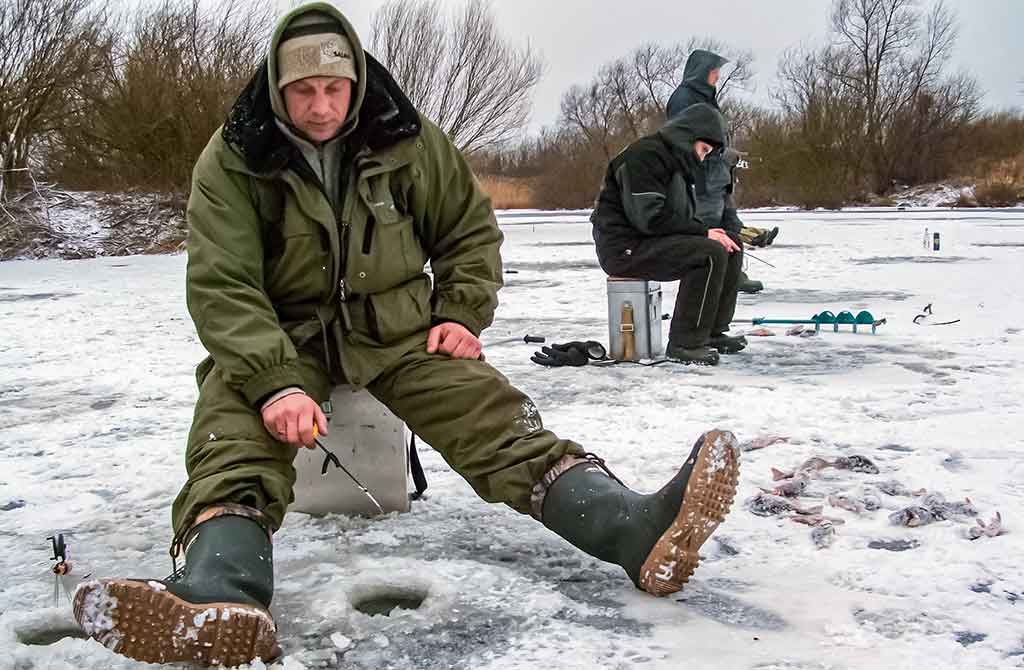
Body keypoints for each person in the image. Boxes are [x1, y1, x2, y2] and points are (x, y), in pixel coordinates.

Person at [71, 4, 741, 666]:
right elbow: (223, 285)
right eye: (303, 91)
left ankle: (631, 529)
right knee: (232, 431)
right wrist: (273, 383)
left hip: (395, 333)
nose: (322, 106)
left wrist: (459, 312)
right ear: (277, 87)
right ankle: (221, 592)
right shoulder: (234, 158)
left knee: (494, 419)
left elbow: (467, 232)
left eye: (334, 89)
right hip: (281, 337)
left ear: (357, 84)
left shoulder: (407, 139)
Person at [591, 103, 746, 366]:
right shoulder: (644, 156)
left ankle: (712, 333)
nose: (702, 157)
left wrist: (711, 231)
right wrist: (702, 233)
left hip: (649, 241)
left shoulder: (676, 165)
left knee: (730, 244)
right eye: (703, 150)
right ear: (688, 137)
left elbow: (679, 218)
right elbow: (649, 218)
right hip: (624, 248)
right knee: (708, 254)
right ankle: (685, 343)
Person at [666, 49, 772, 295]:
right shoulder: (684, 98)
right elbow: (687, 139)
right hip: (702, 178)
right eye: (713, 71)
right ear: (701, 72)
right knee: (711, 227)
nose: (716, 76)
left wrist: (727, 154)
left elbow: (714, 133)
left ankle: (734, 274)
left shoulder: (705, 96)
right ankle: (710, 278)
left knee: (731, 224)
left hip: (719, 177)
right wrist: (720, 155)